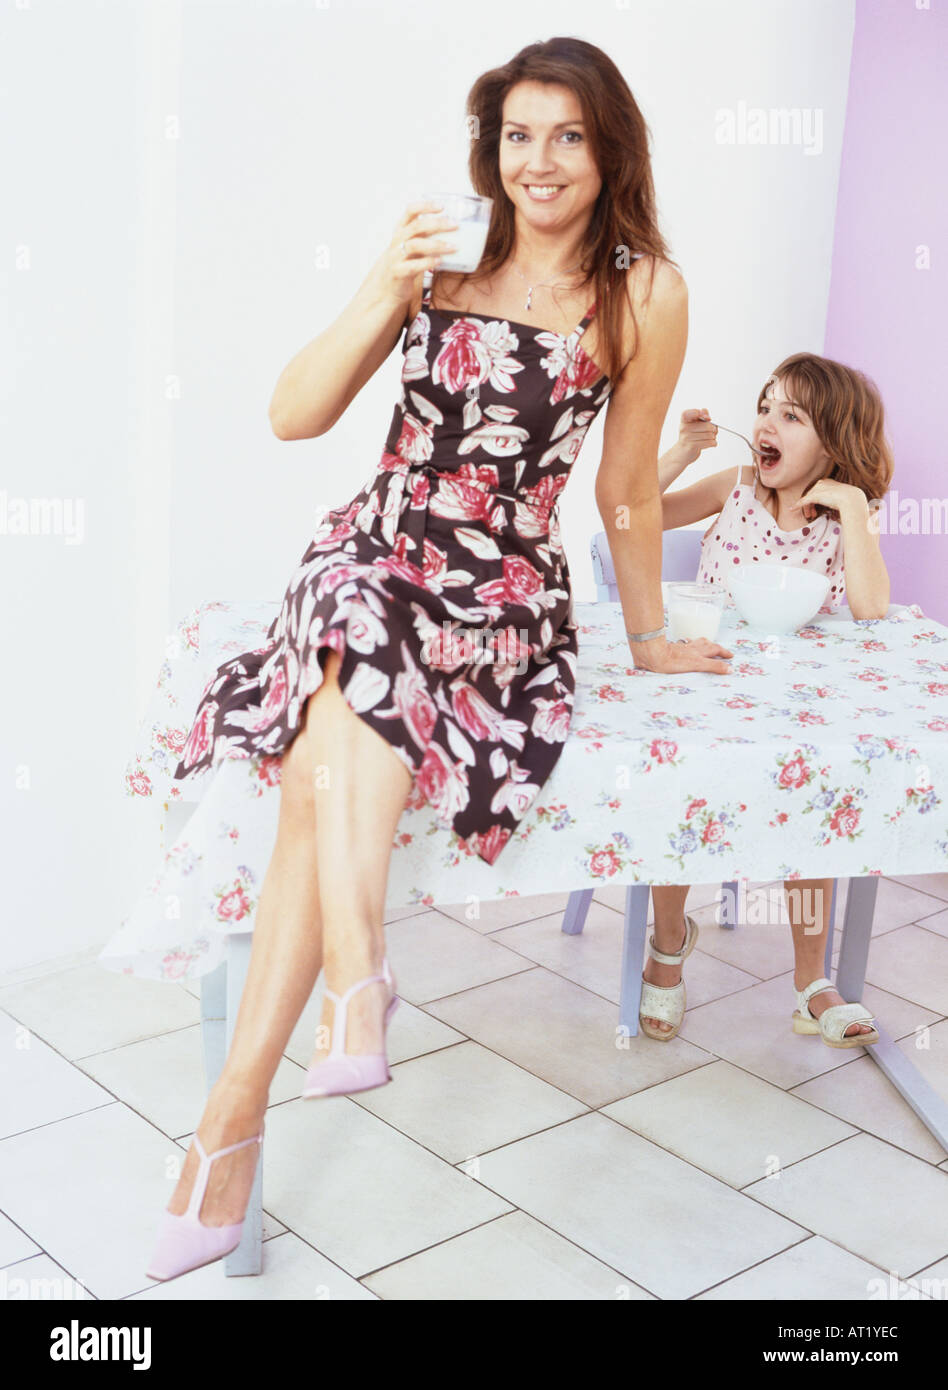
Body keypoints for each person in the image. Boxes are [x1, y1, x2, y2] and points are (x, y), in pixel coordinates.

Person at [144, 35, 733, 1282]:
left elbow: (626, 487)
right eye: (519, 134)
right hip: (375, 545)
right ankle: (357, 978)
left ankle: (228, 1124)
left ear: (611, 147)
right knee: (357, 612)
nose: (541, 161)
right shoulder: (442, 260)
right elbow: (295, 413)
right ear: (491, 148)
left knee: (328, 727)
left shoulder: (644, 290)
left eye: (568, 135)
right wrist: (378, 283)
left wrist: (648, 635)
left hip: (503, 585)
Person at [640, 354, 894, 1046]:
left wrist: (852, 508)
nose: (766, 425)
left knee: (817, 795)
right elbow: (637, 517)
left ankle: (811, 982)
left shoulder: (844, 519)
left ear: (834, 442)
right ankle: (667, 948)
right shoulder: (735, 487)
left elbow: (872, 610)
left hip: (793, 706)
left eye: (792, 415)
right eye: (764, 408)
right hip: (708, 682)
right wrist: (680, 453)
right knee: (678, 785)